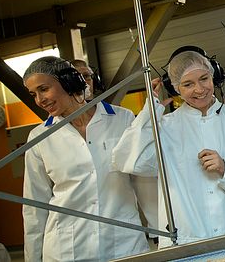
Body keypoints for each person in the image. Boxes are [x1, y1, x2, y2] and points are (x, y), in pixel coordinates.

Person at [112, 49, 225, 246]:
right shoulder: (165, 127)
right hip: (187, 239)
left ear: (213, 77)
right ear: (176, 88)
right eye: (188, 84)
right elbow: (130, 161)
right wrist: (150, 112)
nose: (199, 89)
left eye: (204, 79)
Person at [22, 57, 149, 261]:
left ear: (68, 82)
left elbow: (145, 184)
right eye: (33, 94)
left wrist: (165, 233)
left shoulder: (122, 120)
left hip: (124, 243)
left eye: (43, 89)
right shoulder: (39, 138)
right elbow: (34, 205)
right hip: (66, 249)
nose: (39, 100)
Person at [71, 59, 160, 246]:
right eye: (76, 77)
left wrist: (157, 226)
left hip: (123, 232)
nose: (83, 82)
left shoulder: (122, 117)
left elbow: (141, 177)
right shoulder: (42, 135)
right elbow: (36, 200)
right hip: (73, 238)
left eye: (86, 76)